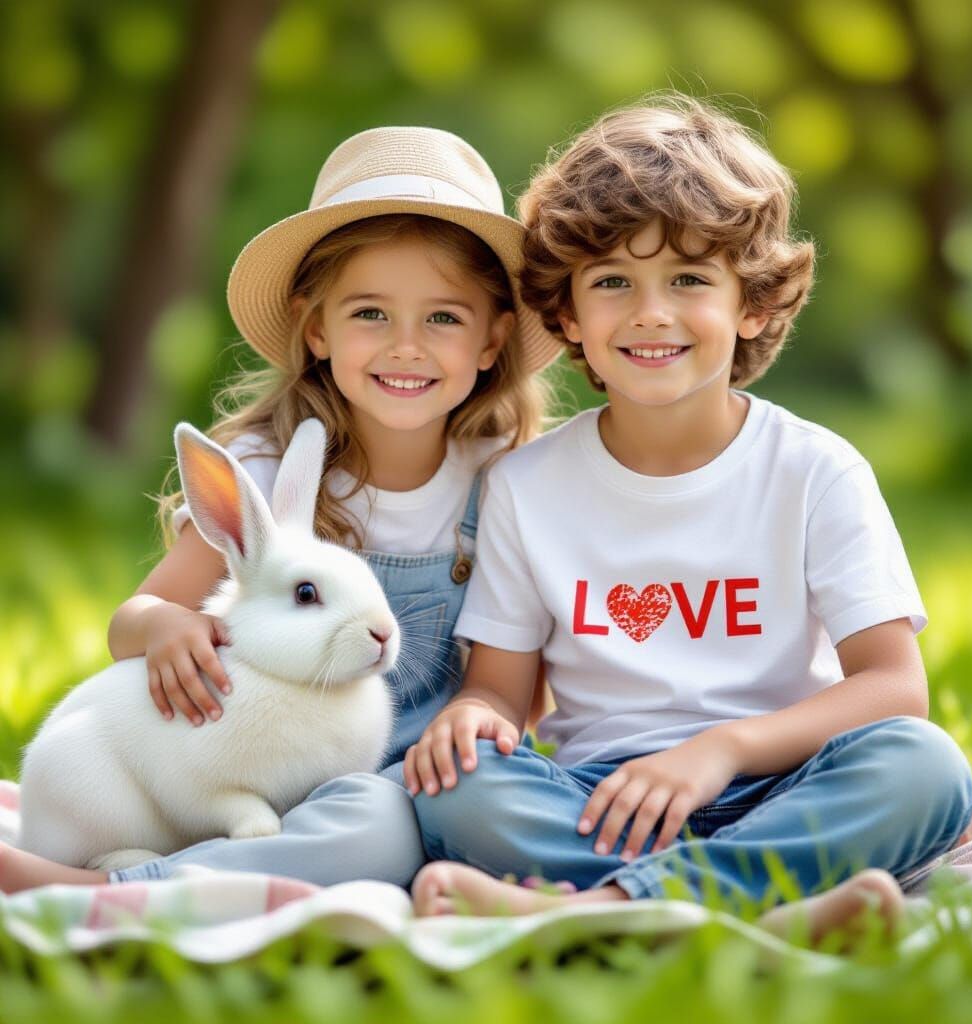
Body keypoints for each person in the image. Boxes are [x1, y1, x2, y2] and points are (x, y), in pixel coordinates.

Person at [404, 97, 972, 941]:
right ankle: (770, 905)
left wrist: (723, 752)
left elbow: (894, 689)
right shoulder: (526, 485)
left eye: (689, 279)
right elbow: (501, 692)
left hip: (785, 780)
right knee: (456, 787)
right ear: (566, 316)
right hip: (601, 802)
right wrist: (470, 718)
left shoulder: (815, 470)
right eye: (611, 283)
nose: (651, 312)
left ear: (751, 304)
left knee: (925, 769)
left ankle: (604, 912)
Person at [0, 126, 561, 894]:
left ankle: (148, 886)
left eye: (443, 318)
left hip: (414, 775)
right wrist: (164, 628)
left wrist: (472, 730)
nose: (406, 346)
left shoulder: (504, 484)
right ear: (317, 327)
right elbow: (137, 616)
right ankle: (122, 886)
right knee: (358, 836)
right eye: (370, 314)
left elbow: (506, 688)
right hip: (250, 770)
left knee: (390, 823)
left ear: (493, 339)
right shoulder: (269, 472)